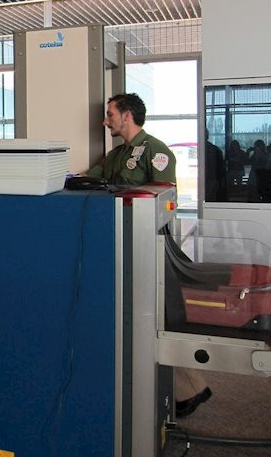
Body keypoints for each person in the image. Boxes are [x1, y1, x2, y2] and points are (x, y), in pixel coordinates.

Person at [86, 93, 210, 418]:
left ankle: (189, 389)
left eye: (110, 114)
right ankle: (186, 390)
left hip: (152, 250)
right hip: (121, 249)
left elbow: (163, 201)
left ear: (126, 115)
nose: (105, 120)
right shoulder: (115, 156)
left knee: (158, 321)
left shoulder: (156, 151)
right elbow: (88, 181)